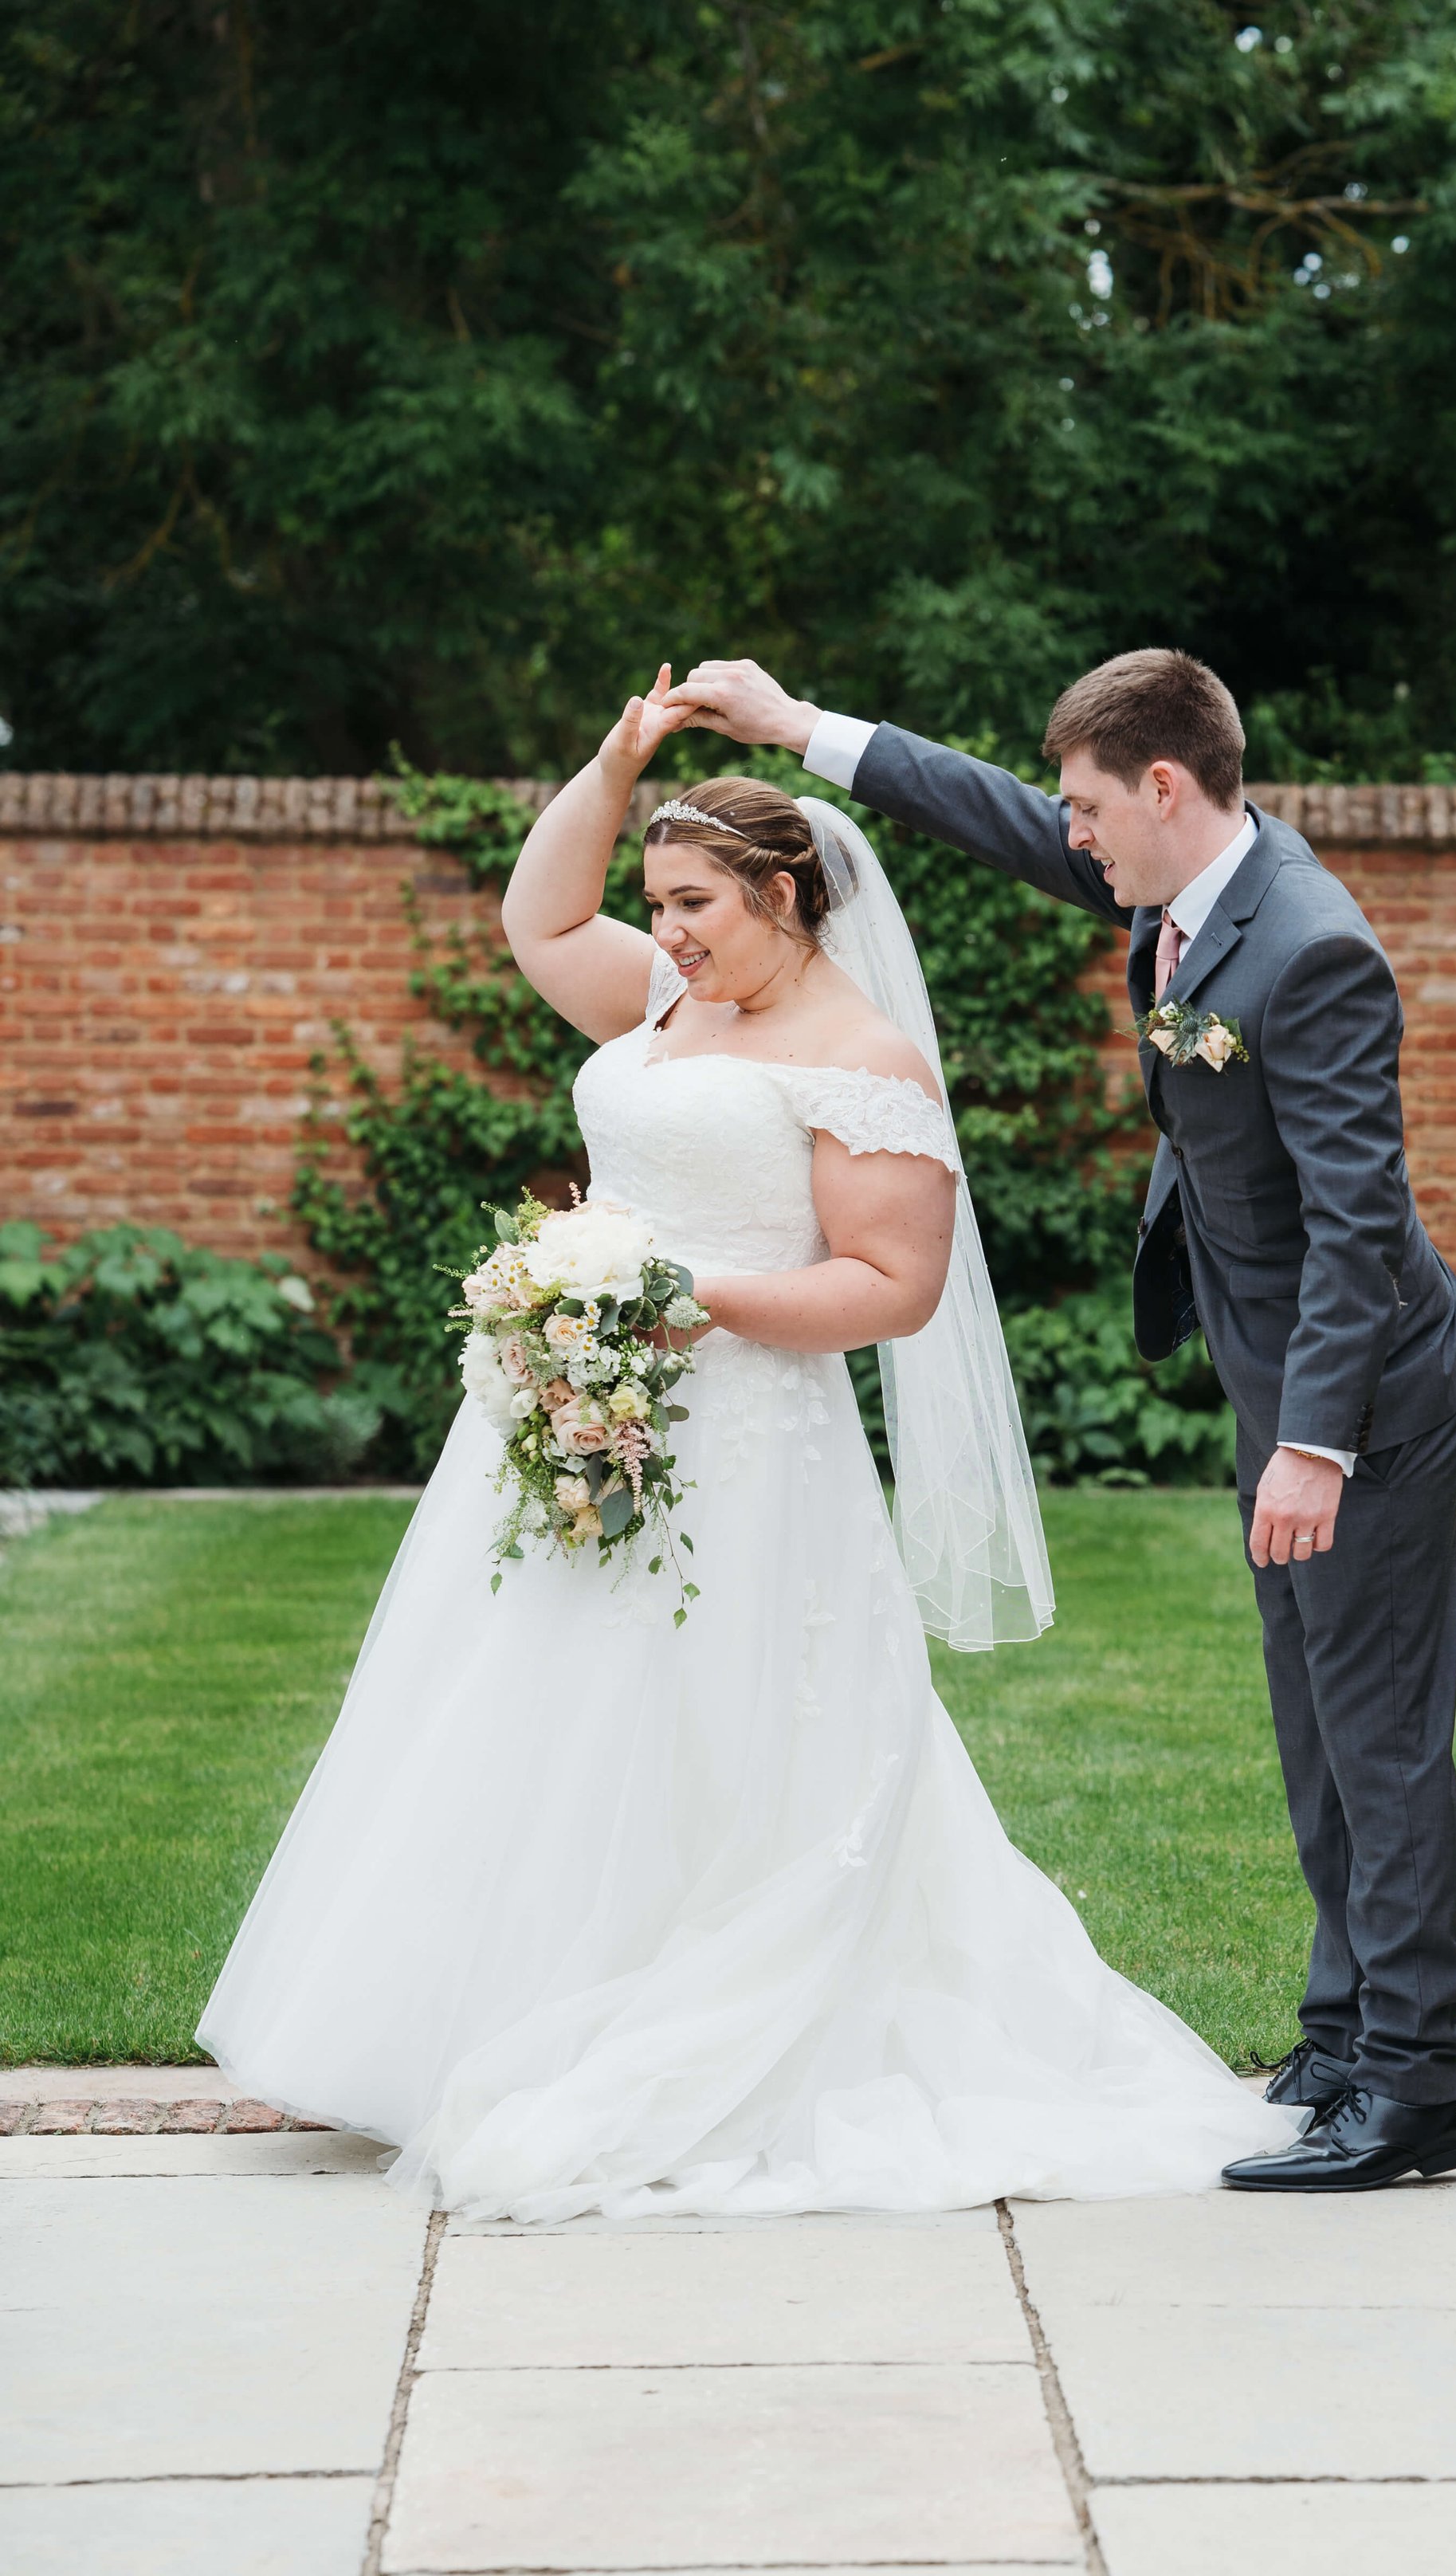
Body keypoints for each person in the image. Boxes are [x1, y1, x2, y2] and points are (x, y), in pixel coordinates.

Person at [198, 663, 1297, 2221]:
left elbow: (892, 1286)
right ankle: (477, 2026)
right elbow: (537, 922)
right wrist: (615, 758)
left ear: (790, 893)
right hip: (588, 1425)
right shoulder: (662, 998)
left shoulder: (861, 1060)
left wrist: (675, 1291)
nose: (676, 931)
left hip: (752, 1453)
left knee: (724, 1732)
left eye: (701, 900)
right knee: (539, 1710)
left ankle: (701, 2030)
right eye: (661, 899)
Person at [661, 647, 1456, 2193]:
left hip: (1362, 1394)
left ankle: (1413, 2086)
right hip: (1284, 1380)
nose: (1074, 833)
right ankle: (1340, 2033)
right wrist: (800, 732)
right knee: (1314, 1729)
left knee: (1375, 1738)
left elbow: (1357, 1222)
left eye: (1089, 805)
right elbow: (987, 812)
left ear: (1163, 787)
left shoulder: (1305, 947)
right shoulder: (1185, 891)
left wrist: (1312, 1444)